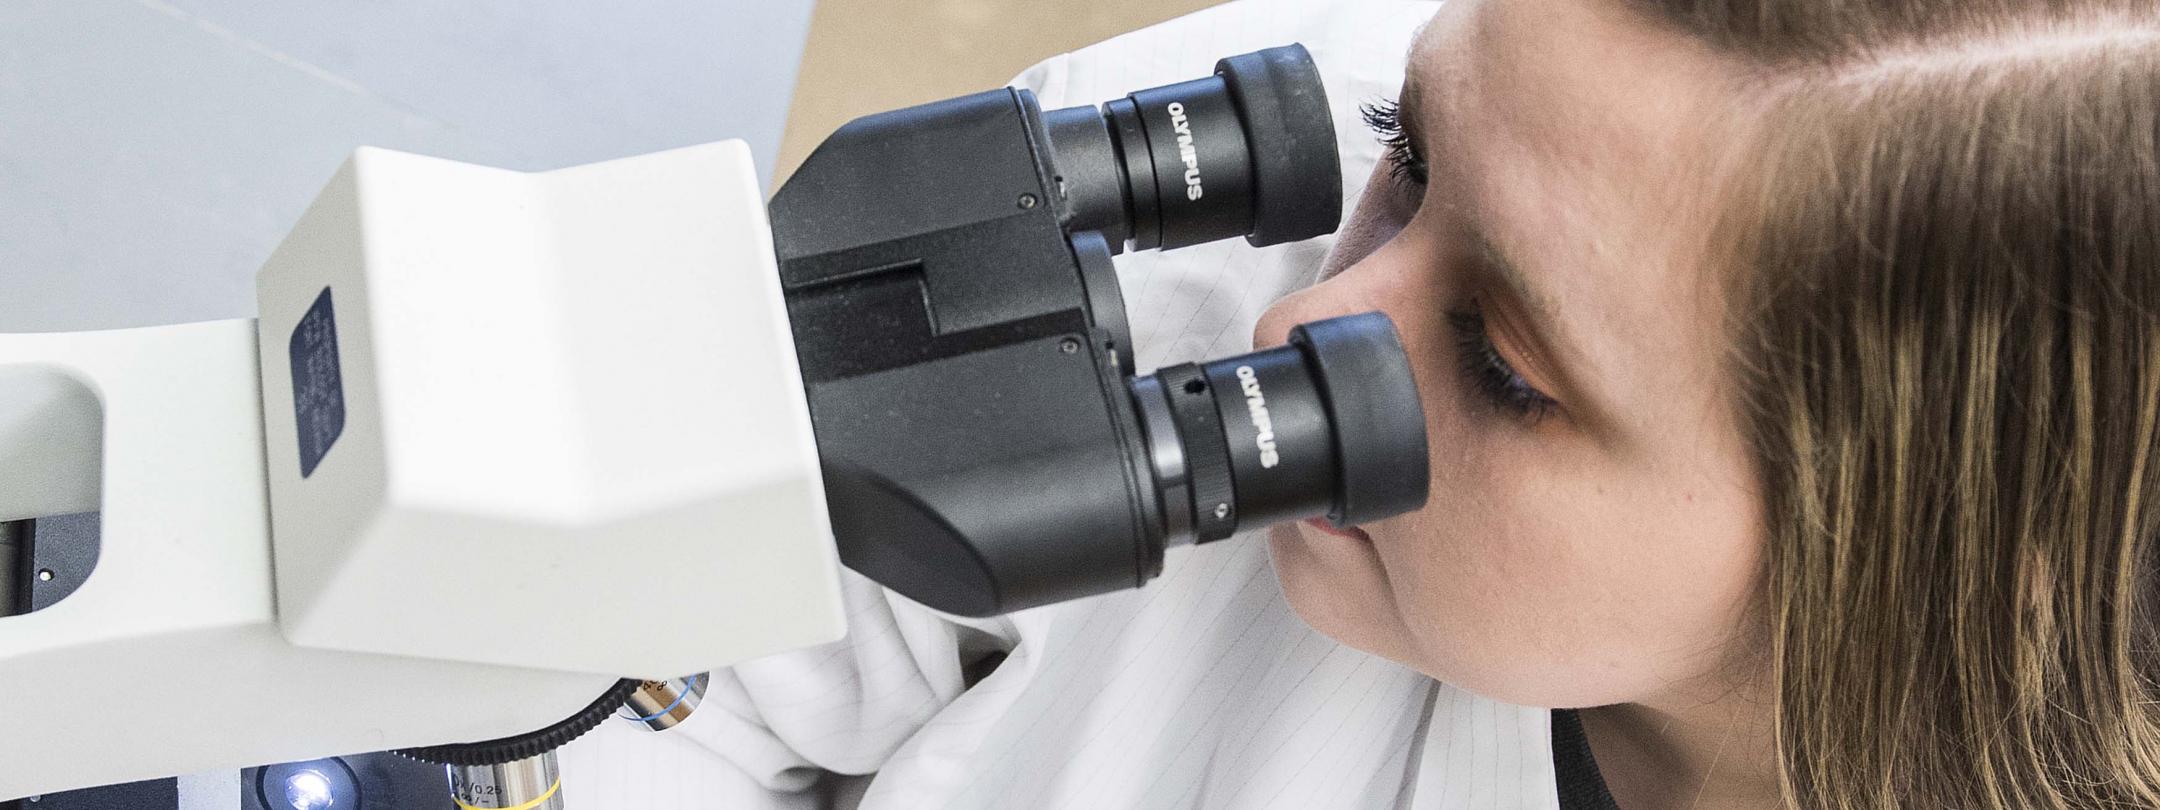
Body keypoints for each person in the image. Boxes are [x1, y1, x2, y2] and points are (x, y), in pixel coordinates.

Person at [565, 0, 2160, 807]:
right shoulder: (1143, 244)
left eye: (1499, 366)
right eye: (1412, 145)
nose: (1307, 310)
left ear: (1925, 553)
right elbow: (606, 688)